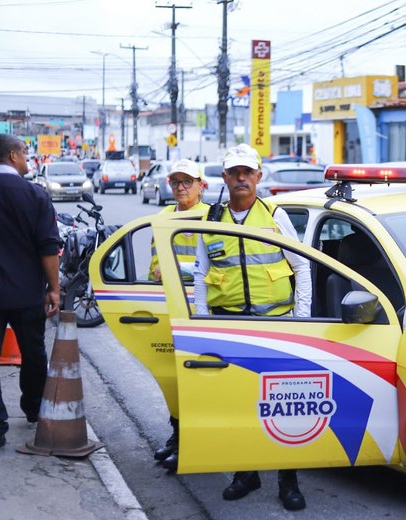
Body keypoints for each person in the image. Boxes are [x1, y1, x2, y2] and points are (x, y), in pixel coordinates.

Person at [193, 143, 311, 511]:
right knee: (239, 405)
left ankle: (287, 479)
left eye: (248, 172)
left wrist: (301, 322)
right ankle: (246, 473)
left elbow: (303, 266)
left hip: (277, 327)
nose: (241, 178)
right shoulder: (212, 220)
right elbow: (200, 274)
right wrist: (203, 325)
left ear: (258, 176)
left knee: (284, 406)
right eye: (234, 172)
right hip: (231, 327)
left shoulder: (275, 215)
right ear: (225, 178)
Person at [0, 134, 61, 452]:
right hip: (26, 293)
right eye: (25, 152)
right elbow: (48, 247)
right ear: (12, 155)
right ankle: (34, 408)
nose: (28, 158)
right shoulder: (34, 195)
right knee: (33, 354)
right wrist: (54, 289)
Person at [148, 158, 209, 473]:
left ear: (201, 185)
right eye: (176, 182)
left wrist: (182, 272)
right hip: (172, 310)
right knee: (175, 381)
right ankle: (177, 437)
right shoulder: (161, 218)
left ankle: (194, 444)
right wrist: (163, 270)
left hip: (203, 313)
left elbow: (216, 270)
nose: (181, 187)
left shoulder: (213, 218)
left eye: (187, 181)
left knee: (198, 383)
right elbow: (154, 266)